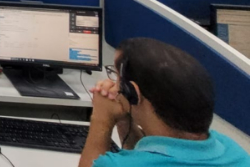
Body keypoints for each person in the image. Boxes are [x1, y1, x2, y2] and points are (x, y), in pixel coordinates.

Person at [78, 38, 250, 167]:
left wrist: (102, 119)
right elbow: (146, 154)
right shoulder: (232, 151)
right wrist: (125, 120)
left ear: (133, 93)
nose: (114, 86)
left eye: (116, 78)